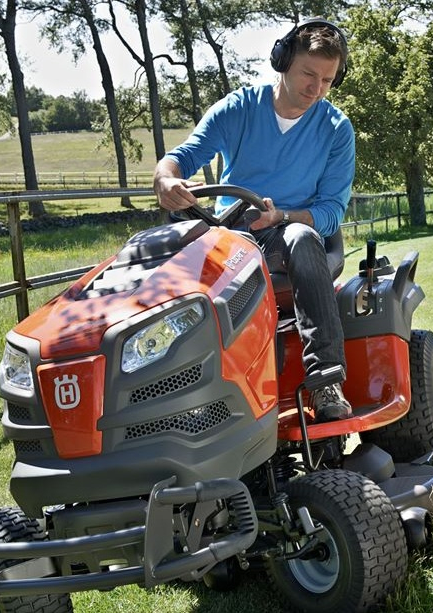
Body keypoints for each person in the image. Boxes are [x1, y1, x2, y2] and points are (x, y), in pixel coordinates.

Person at [153, 18, 356, 422]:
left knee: (299, 236)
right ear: (282, 62)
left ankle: (326, 380)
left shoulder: (336, 130)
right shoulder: (239, 109)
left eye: (328, 80)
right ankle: (167, 388)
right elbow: (184, 156)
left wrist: (281, 215)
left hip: (290, 237)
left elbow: (332, 210)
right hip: (230, 233)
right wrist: (164, 178)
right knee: (162, 252)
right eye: (308, 74)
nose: (316, 88)